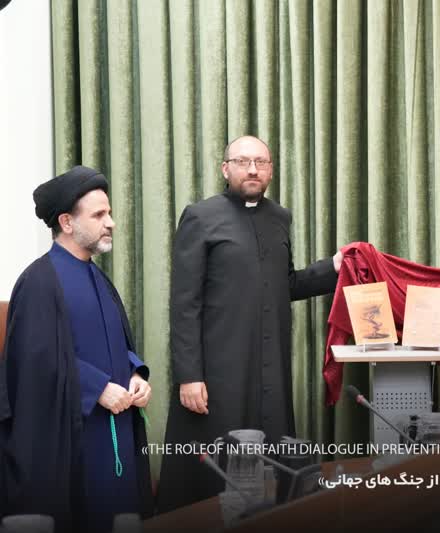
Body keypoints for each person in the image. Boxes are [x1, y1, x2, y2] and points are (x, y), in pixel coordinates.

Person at [157, 135, 344, 512]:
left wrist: (334, 267)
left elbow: (285, 284)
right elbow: (184, 302)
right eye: (243, 162)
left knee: (271, 471)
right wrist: (189, 375)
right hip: (218, 373)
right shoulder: (200, 217)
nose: (253, 169)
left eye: (261, 162)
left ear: (271, 170)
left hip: (270, 368)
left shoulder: (280, 217)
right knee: (216, 474)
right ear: (226, 169)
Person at [0, 166, 154, 532]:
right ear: (67, 222)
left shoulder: (99, 277)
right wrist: (95, 388)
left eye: (109, 213)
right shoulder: (39, 281)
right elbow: (33, 364)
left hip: (117, 427)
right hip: (74, 439)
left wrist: (135, 372)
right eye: (99, 215)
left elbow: (116, 343)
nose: (111, 223)